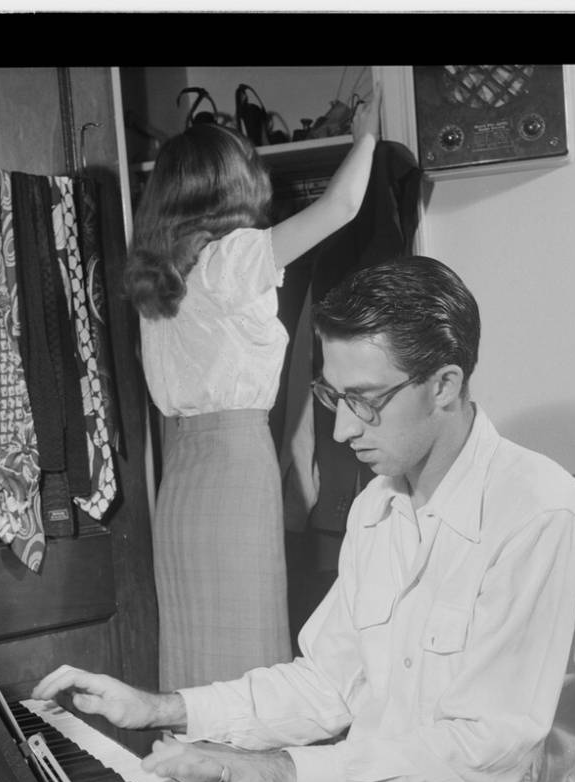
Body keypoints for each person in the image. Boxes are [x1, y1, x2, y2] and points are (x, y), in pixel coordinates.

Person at [35, 256, 575, 782]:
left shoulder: (539, 515)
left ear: (445, 385)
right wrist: (167, 708)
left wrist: (282, 774)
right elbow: (327, 683)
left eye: (365, 400)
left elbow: (481, 755)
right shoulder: (379, 505)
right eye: (332, 396)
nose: (341, 429)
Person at [122, 85, 382, 692]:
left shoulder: (160, 275)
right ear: (233, 184)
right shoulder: (231, 258)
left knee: (193, 654)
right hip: (235, 468)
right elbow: (340, 206)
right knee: (246, 662)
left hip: (180, 481)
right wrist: (364, 134)